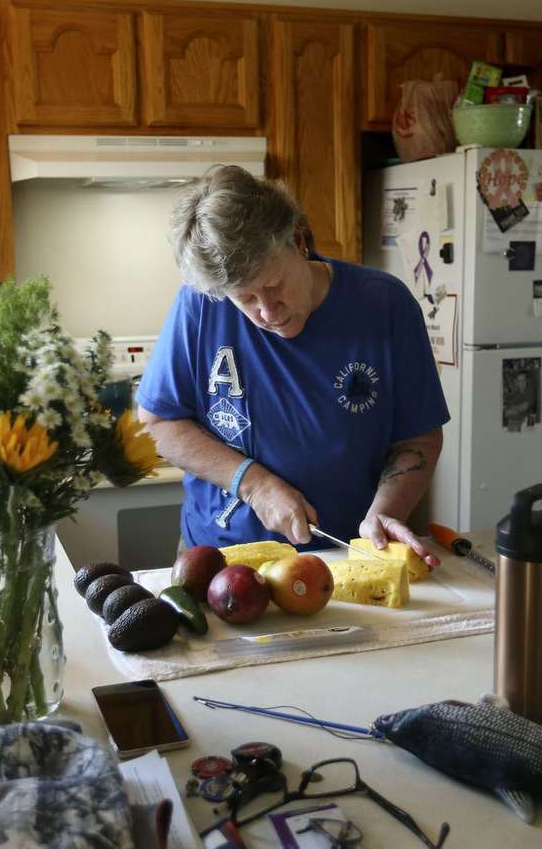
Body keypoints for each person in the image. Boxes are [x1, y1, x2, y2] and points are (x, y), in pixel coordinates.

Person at [136, 165, 450, 565]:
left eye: (273, 285)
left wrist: (386, 513)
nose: (267, 312)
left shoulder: (384, 305)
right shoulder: (200, 304)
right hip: (218, 558)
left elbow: (417, 440)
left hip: (346, 558)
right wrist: (254, 485)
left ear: (299, 240)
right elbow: (157, 423)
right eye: (245, 299)